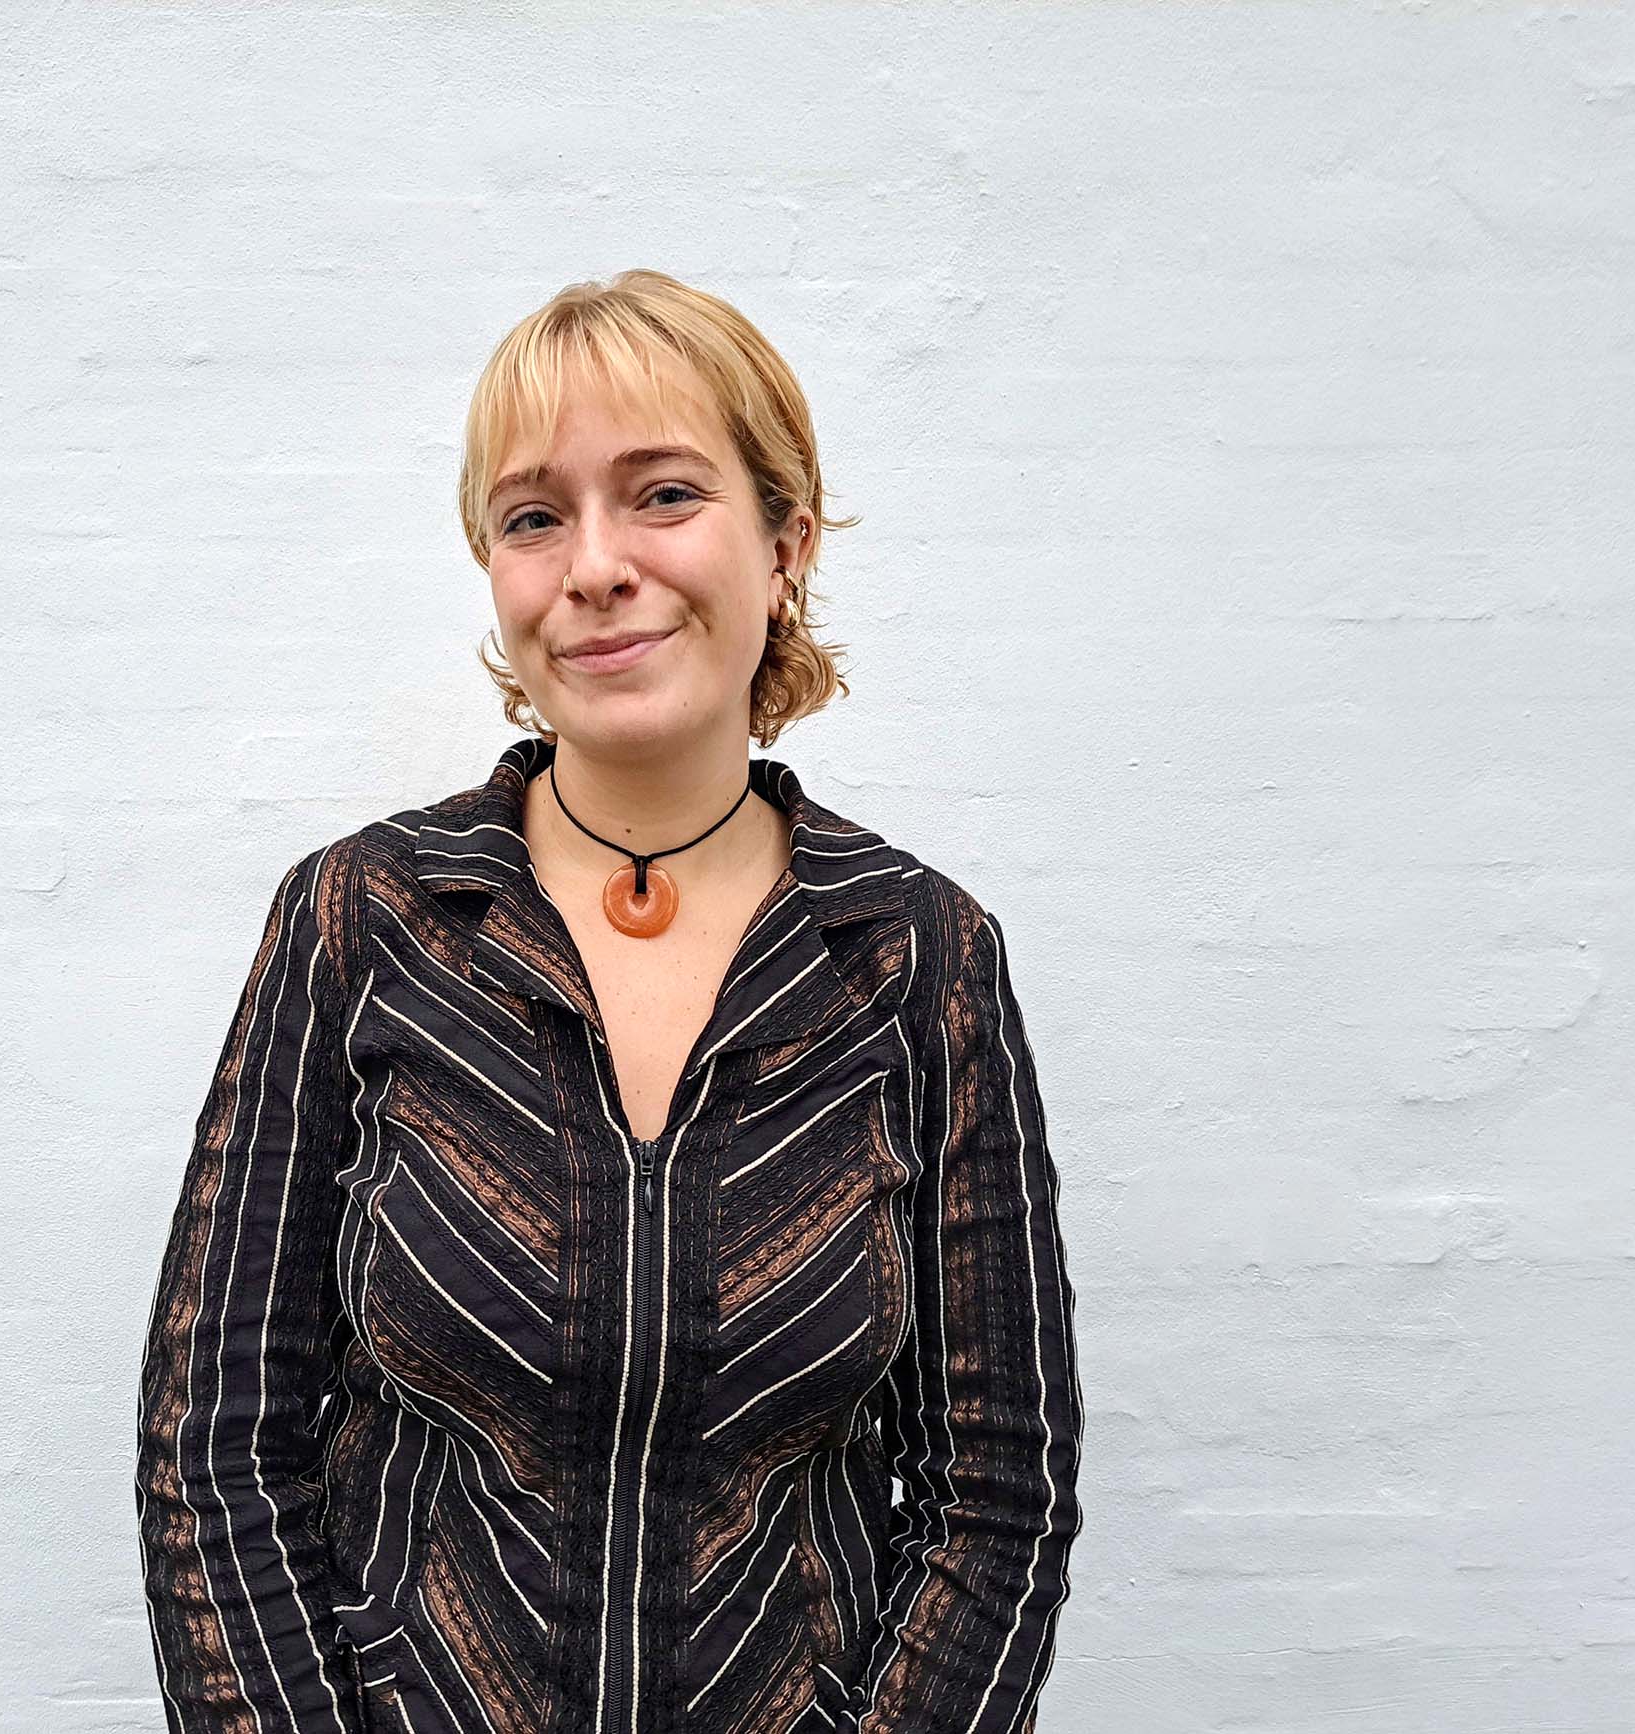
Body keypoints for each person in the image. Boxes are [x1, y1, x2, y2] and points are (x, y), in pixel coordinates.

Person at [136, 268, 1083, 1734]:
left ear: (786, 544)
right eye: (533, 517)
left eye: (664, 496)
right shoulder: (366, 922)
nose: (594, 566)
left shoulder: (915, 956)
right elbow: (215, 1449)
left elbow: (1000, 1490)